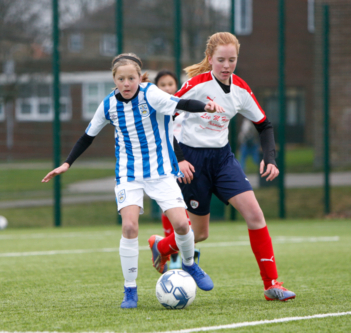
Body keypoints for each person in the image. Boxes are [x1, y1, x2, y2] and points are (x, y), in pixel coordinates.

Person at [41, 53, 224, 309]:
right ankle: (130, 290)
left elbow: (181, 103)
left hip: (161, 173)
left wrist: (206, 106)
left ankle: (190, 265)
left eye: (131, 78)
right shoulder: (108, 105)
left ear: (139, 77)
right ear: (114, 80)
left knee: (183, 224)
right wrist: (66, 163)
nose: (126, 83)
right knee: (129, 228)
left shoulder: (151, 94)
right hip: (129, 175)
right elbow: (87, 137)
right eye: (121, 78)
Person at [148, 32, 296, 302]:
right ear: (210, 59)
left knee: (255, 214)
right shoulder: (195, 85)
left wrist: (270, 157)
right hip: (192, 161)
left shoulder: (240, 89)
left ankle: (272, 284)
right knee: (200, 233)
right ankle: (162, 245)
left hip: (223, 160)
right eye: (221, 60)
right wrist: (179, 158)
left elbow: (264, 124)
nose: (227, 65)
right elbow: (164, 118)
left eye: (232, 59)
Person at [154, 70, 200, 270]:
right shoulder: (156, 110)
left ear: (177, 86)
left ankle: (183, 251)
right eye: (162, 85)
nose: (166, 88)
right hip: (167, 165)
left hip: (190, 163)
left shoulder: (186, 108)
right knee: (171, 207)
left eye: (170, 84)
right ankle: (171, 254)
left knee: (190, 210)